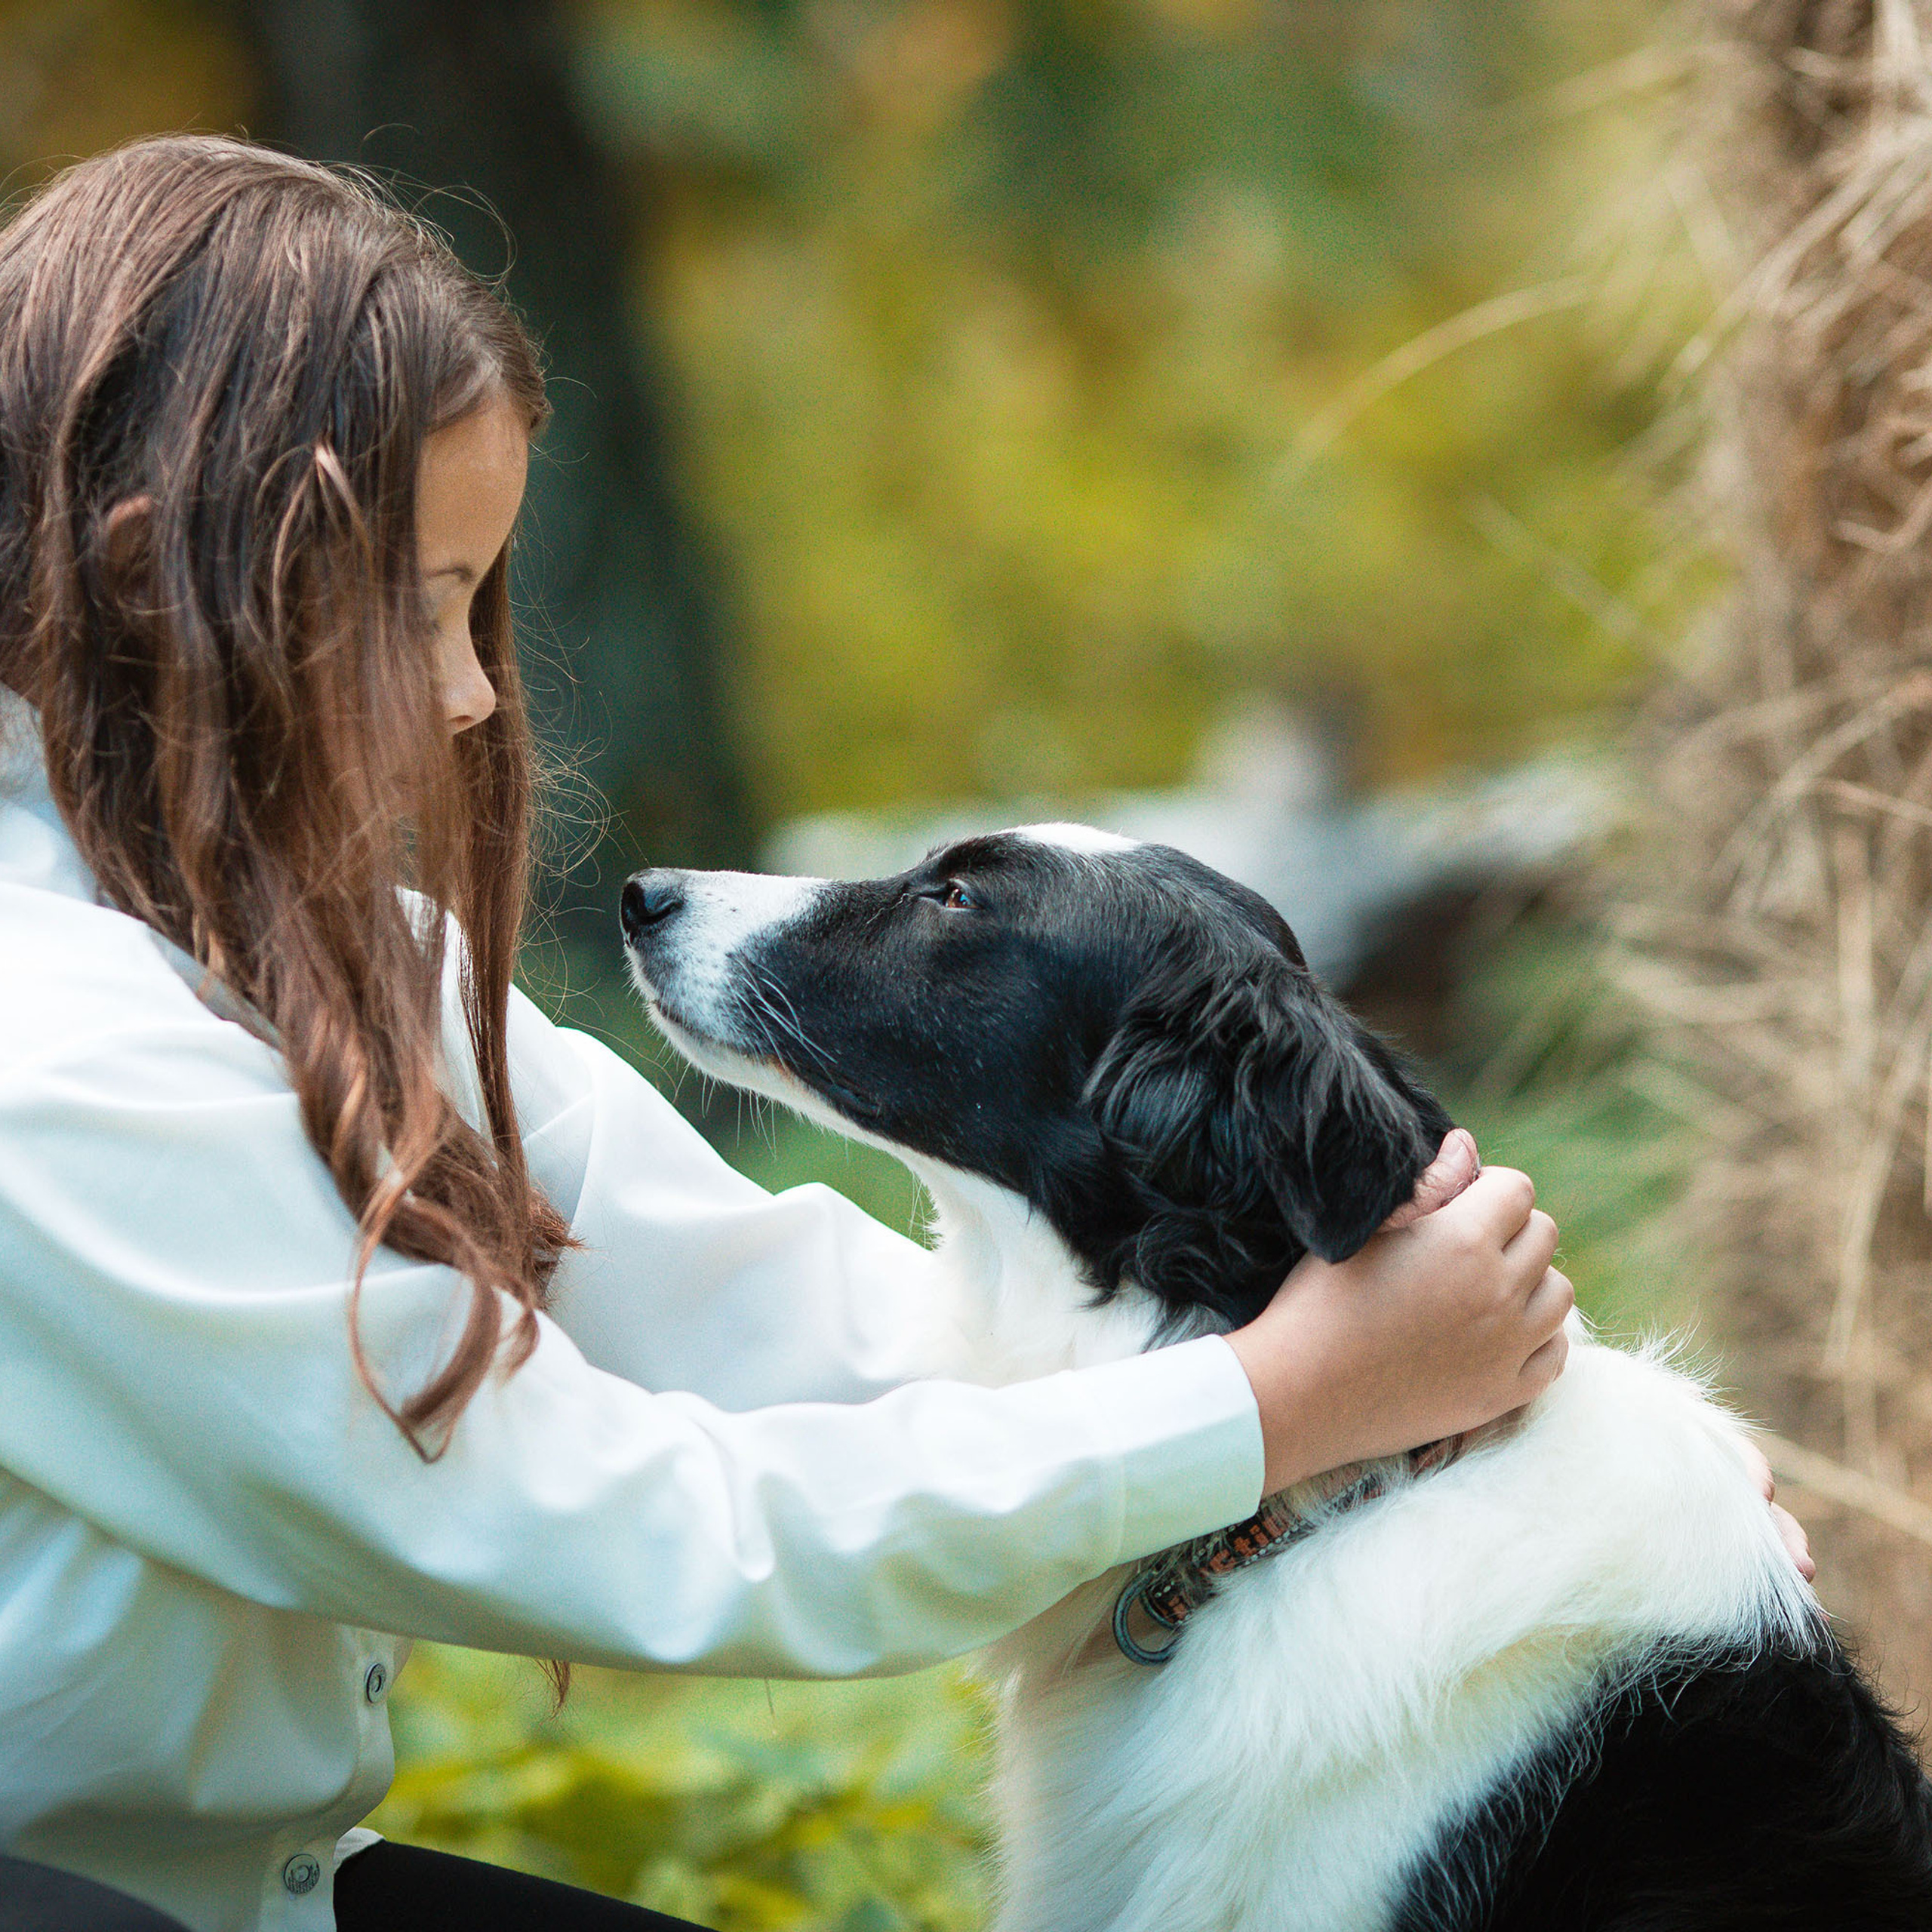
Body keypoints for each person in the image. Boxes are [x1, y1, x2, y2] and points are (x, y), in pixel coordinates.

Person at [0, 134, 1755, 1932]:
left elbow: (762, 1309)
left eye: (480, 604)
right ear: (149, 580)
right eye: (428, 601)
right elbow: (636, 1527)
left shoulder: (334, 960)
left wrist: (1507, 1439)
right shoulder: (46, 1066)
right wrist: (1274, 1399)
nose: (469, 693)